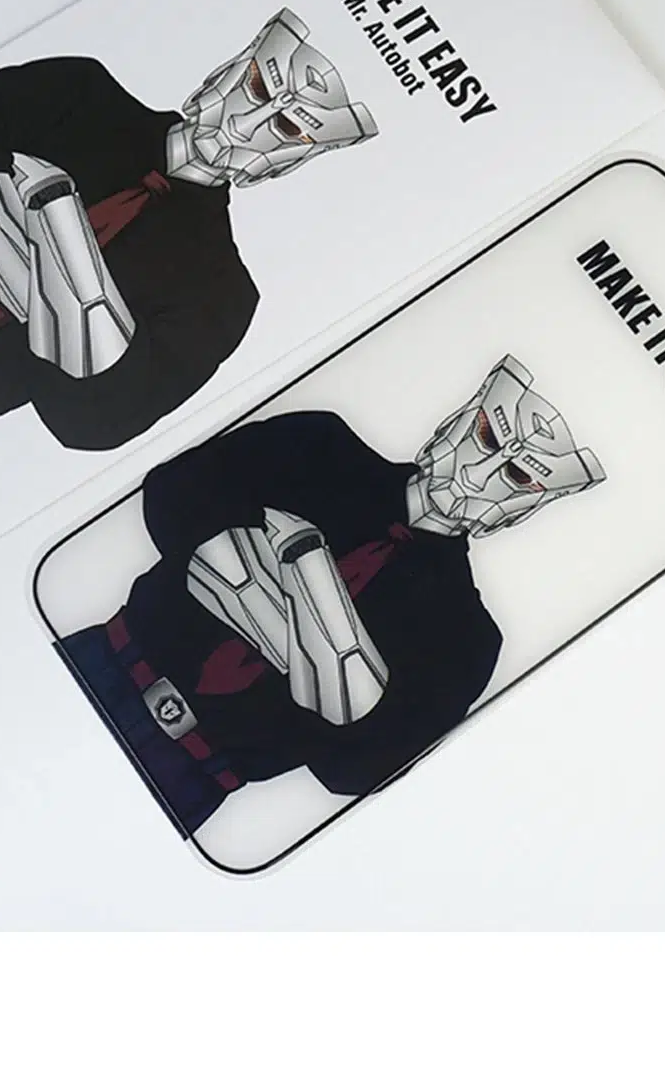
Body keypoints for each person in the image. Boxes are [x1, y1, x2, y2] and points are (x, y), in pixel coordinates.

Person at [0, 10, 377, 475]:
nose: (244, 125)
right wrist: (60, 299)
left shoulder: (221, 296)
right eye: (257, 87)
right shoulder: (81, 91)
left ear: (294, 158)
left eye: (287, 126)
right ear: (229, 68)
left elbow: (96, 418)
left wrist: (54, 236)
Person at [59, 356, 606, 838]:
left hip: (186, 777)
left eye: (517, 475)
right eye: (487, 437)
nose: (476, 474)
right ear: (461, 419)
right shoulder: (322, 446)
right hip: (99, 665)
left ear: (528, 506)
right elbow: (175, 491)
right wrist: (323, 664)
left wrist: (274, 572)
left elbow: (357, 767)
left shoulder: (466, 640)